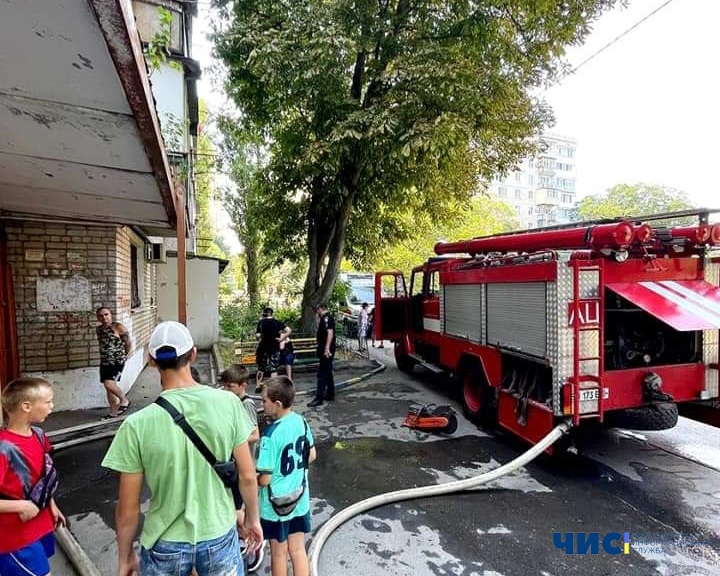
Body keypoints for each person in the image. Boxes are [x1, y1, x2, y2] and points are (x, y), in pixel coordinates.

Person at [101, 321, 263, 576]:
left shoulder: (135, 425)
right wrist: (252, 520)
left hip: (165, 542)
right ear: (194, 354)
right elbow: (247, 476)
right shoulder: (229, 404)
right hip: (218, 534)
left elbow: (128, 507)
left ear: (152, 361)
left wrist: (125, 556)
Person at [0, 377, 65, 576]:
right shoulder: (4, 448)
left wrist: (51, 505)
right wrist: (21, 506)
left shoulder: (37, 434)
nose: (52, 406)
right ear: (26, 406)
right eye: (47, 402)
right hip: (14, 537)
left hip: (40, 523)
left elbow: (43, 476)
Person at [257, 377, 316, 576]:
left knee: (278, 553)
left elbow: (265, 479)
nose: (261, 404)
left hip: (276, 506)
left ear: (278, 404)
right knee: (298, 549)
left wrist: (253, 480)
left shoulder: (270, 434)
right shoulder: (301, 421)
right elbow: (312, 454)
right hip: (299, 498)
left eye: (264, 400)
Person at [220, 364, 265, 573]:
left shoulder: (246, 404)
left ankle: (253, 543)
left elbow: (255, 434)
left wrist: (232, 440)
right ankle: (245, 537)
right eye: (225, 387)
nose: (227, 391)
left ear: (243, 385)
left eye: (230, 387)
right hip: (235, 463)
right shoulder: (233, 401)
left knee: (237, 506)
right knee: (236, 504)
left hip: (243, 463)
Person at [95, 307, 132, 419]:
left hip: (116, 361)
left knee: (109, 384)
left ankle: (124, 400)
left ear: (111, 315)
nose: (104, 318)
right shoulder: (99, 329)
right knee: (109, 388)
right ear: (98, 317)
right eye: (101, 316)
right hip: (105, 361)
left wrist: (124, 355)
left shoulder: (117, 327)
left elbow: (128, 342)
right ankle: (113, 412)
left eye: (106, 314)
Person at [255, 308, 291, 392]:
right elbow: (289, 330)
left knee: (261, 368)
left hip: (263, 348)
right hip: (274, 348)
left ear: (265, 313)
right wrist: (282, 339)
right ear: (271, 313)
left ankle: (257, 386)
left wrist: (260, 336)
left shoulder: (261, 322)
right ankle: (273, 388)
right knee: (274, 368)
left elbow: (258, 335)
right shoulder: (277, 322)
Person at [308, 303, 336, 408]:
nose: (316, 312)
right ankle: (330, 393)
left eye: (317, 310)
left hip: (326, 351)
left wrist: (327, 348)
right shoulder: (325, 318)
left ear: (320, 309)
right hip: (325, 349)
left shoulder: (327, 318)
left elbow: (330, 333)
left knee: (321, 374)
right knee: (328, 372)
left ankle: (319, 398)